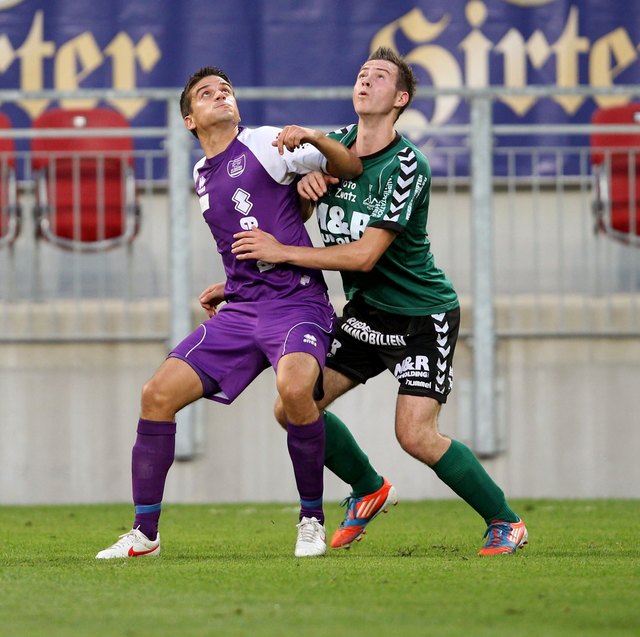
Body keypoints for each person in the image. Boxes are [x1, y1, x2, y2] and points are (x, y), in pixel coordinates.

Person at [231, 47, 528, 556]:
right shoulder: (333, 148)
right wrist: (304, 193)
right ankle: (368, 487)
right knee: (293, 406)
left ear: (400, 98)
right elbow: (292, 212)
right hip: (367, 314)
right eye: (362, 73)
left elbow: (367, 255)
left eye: (380, 76)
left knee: (415, 435)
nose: (366, 80)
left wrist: (283, 252)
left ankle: (505, 521)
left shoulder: (407, 163)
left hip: (420, 314)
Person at [96, 66, 364, 559]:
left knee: (295, 390)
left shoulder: (265, 143)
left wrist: (317, 154)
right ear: (189, 121)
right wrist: (230, 284)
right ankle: (144, 536)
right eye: (206, 93)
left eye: (226, 90)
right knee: (156, 395)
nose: (220, 95)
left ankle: (310, 520)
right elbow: (249, 235)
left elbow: (350, 164)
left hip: (297, 303)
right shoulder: (202, 174)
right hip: (242, 309)